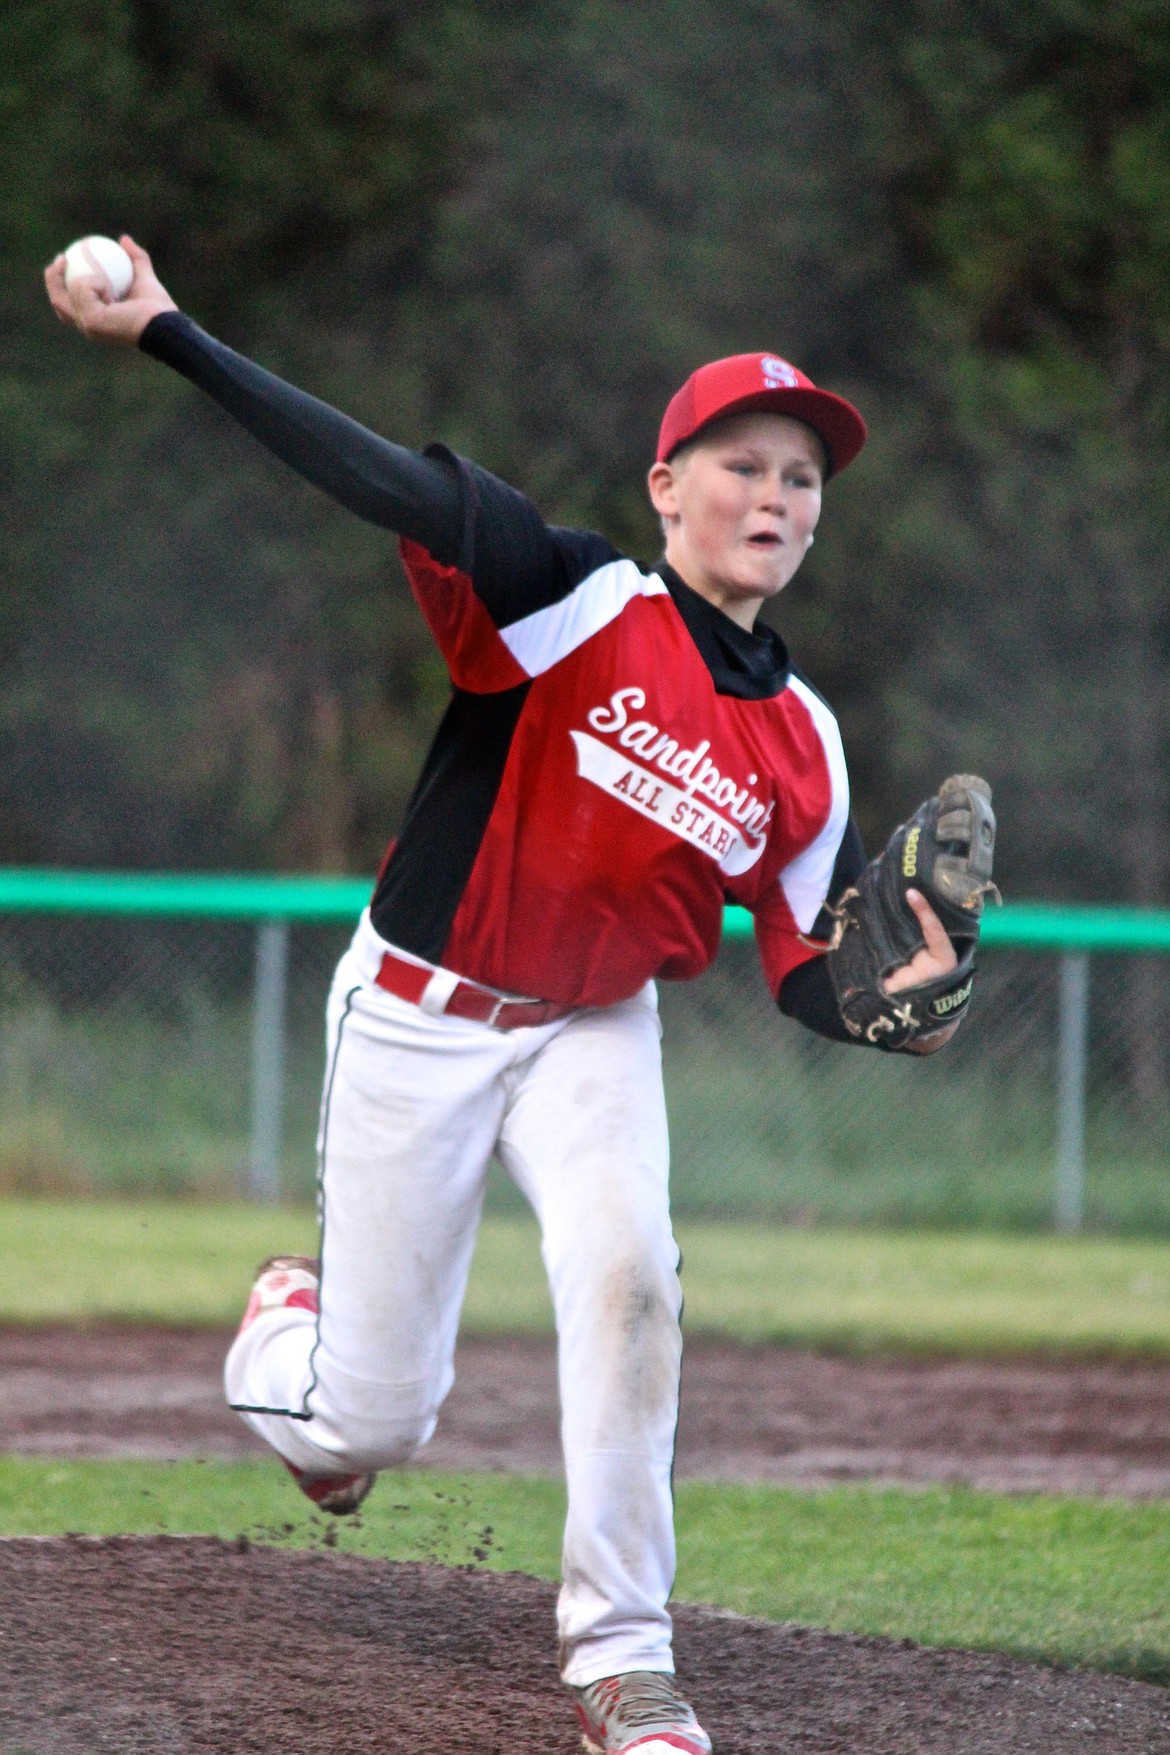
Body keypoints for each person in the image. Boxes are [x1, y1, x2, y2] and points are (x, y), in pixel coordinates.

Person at [46, 236, 967, 1755]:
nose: (773, 499)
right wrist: (170, 333)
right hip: (423, 1009)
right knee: (362, 1426)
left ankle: (624, 1658)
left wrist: (903, 1004)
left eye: (801, 479)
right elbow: (384, 484)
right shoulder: (570, 594)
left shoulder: (804, 739)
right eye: (739, 464)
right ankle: (289, 1326)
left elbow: (813, 967)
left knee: (634, 1291)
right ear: (667, 486)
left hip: (596, 1033)